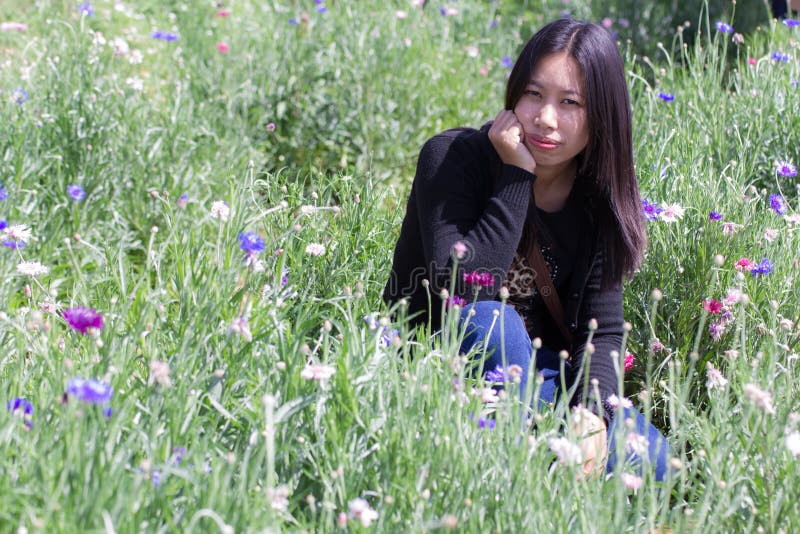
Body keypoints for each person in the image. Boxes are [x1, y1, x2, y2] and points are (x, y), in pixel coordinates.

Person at [383, 18, 670, 480]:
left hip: (546, 386)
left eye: (570, 102)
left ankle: (547, 457)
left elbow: (605, 332)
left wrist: (591, 415)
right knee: (493, 321)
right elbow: (457, 290)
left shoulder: (600, 199)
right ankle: (521, 472)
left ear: (602, 116)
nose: (545, 118)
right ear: (514, 95)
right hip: (440, 368)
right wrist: (518, 176)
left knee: (659, 465)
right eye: (534, 94)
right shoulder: (453, 158)